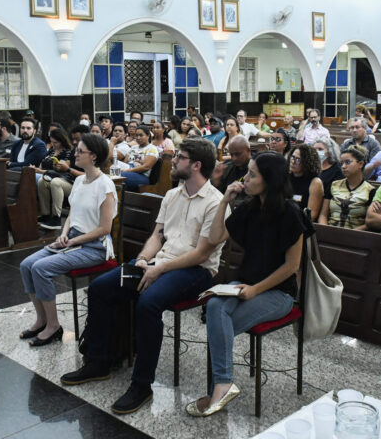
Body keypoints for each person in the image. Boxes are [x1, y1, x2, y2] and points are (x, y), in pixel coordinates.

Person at [60, 138, 227, 415]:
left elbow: (201, 254)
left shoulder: (215, 202)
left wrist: (158, 269)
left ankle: (142, 385)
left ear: (197, 165)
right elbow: (157, 235)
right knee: (101, 287)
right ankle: (99, 361)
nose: (173, 160)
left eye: (180, 157)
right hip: (158, 262)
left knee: (148, 303)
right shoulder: (172, 195)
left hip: (196, 271)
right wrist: (142, 260)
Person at [186, 151, 307, 417]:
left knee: (219, 326)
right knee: (215, 306)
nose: (245, 179)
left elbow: (292, 266)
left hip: (278, 293)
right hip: (244, 284)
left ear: (269, 180)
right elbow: (215, 237)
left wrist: (255, 290)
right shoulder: (250, 208)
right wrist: (224, 201)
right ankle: (223, 385)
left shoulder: (291, 213)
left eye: (252, 175)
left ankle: (219, 388)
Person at [19, 134, 116, 346]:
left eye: (80, 151)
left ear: (94, 156)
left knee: (40, 268)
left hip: (94, 247)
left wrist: (73, 241)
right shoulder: (80, 180)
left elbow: (105, 228)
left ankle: (53, 326)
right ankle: (42, 320)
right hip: (72, 239)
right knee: (26, 265)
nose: (75, 154)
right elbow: (73, 213)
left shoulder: (105, 185)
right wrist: (64, 233)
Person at [320, 145, 377, 230]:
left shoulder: (370, 190)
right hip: (330, 231)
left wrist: (349, 234)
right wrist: (325, 229)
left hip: (356, 235)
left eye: (347, 162)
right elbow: (323, 215)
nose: (343, 166)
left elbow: (369, 223)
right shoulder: (334, 185)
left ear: (360, 164)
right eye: (341, 163)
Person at [34, 129, 77, 230]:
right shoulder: (51, 150)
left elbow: (64, 170)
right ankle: (45, 214)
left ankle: (56, 217)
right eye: (52, 142)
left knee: (54, 182)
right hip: (50, 176)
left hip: (66, 180)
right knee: (42, 181)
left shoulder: (69, 152)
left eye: (56, 142)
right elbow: (42, 163)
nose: (53, 144)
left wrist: (44, 171)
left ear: (62, 141)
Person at [288, 144, 324, 221]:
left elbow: (311, 215)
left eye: (298, 160)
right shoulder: (285, 177)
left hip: (300, 223)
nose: (293, 162)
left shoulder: (315, 182)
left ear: (307, 162)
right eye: (292, 157)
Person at [122, 125, 159, 191]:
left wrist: (128, 171)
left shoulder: (152, 149)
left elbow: (146, 167)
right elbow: (125, 163)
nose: (138, 138)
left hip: (142, 176)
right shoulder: (133, 148)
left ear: (148, 136)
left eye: (141, 135)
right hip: (129, 171)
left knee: (120, 176)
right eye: (136, 135)